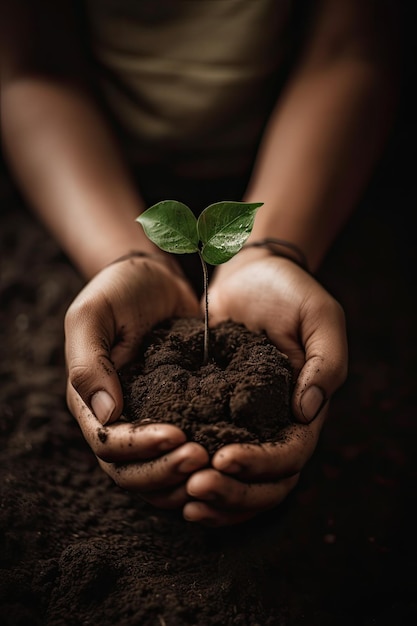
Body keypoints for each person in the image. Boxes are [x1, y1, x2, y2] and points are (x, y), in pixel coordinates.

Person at [0, 0, 400, 526]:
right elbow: (34, 69)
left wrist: (270, 248)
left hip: (314, 182)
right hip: (91, 183)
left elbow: (354, 50)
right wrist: (125, 257)